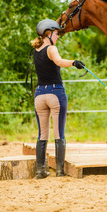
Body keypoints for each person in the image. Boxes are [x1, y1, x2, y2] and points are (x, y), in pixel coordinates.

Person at [30, 19, 85, 179]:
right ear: (48, 33)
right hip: (55, 93)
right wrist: (74, 62)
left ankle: (41, 171)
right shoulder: (51, 48)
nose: (58, 36)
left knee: (42, 135)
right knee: (59, 133)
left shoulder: (35, 50)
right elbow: (59, 62)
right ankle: (60, 171)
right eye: (56, 33)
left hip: (39, 95)